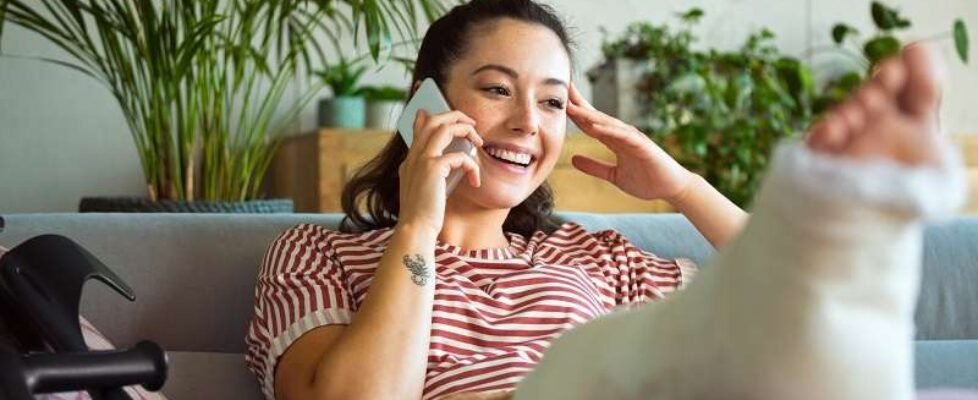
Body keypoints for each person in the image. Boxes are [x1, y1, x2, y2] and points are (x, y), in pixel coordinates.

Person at [244, 1, 968, 399]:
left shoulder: (594, 257)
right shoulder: (319, 254)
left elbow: (790, 304)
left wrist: (681, 187)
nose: (529, 121)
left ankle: (843, 213)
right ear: (424, 106)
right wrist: (420, 225)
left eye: (553, 103)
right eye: (497, 89)